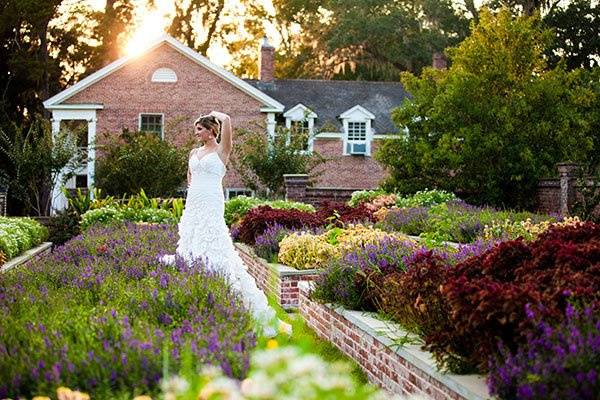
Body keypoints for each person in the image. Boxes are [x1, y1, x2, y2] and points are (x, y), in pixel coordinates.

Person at [160, 111, 290, 337]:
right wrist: (192, 196)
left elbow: (228, 121)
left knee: (214, 244)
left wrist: (215, 114)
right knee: (192, 240)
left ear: (211, 130)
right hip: (194, 201)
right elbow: (190, 178)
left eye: (200, 128)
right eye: (196, 129)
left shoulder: (222, 150)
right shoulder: (193, 152)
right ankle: (196, 297)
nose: (196, 132)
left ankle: (237, 303)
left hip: (212, 200)